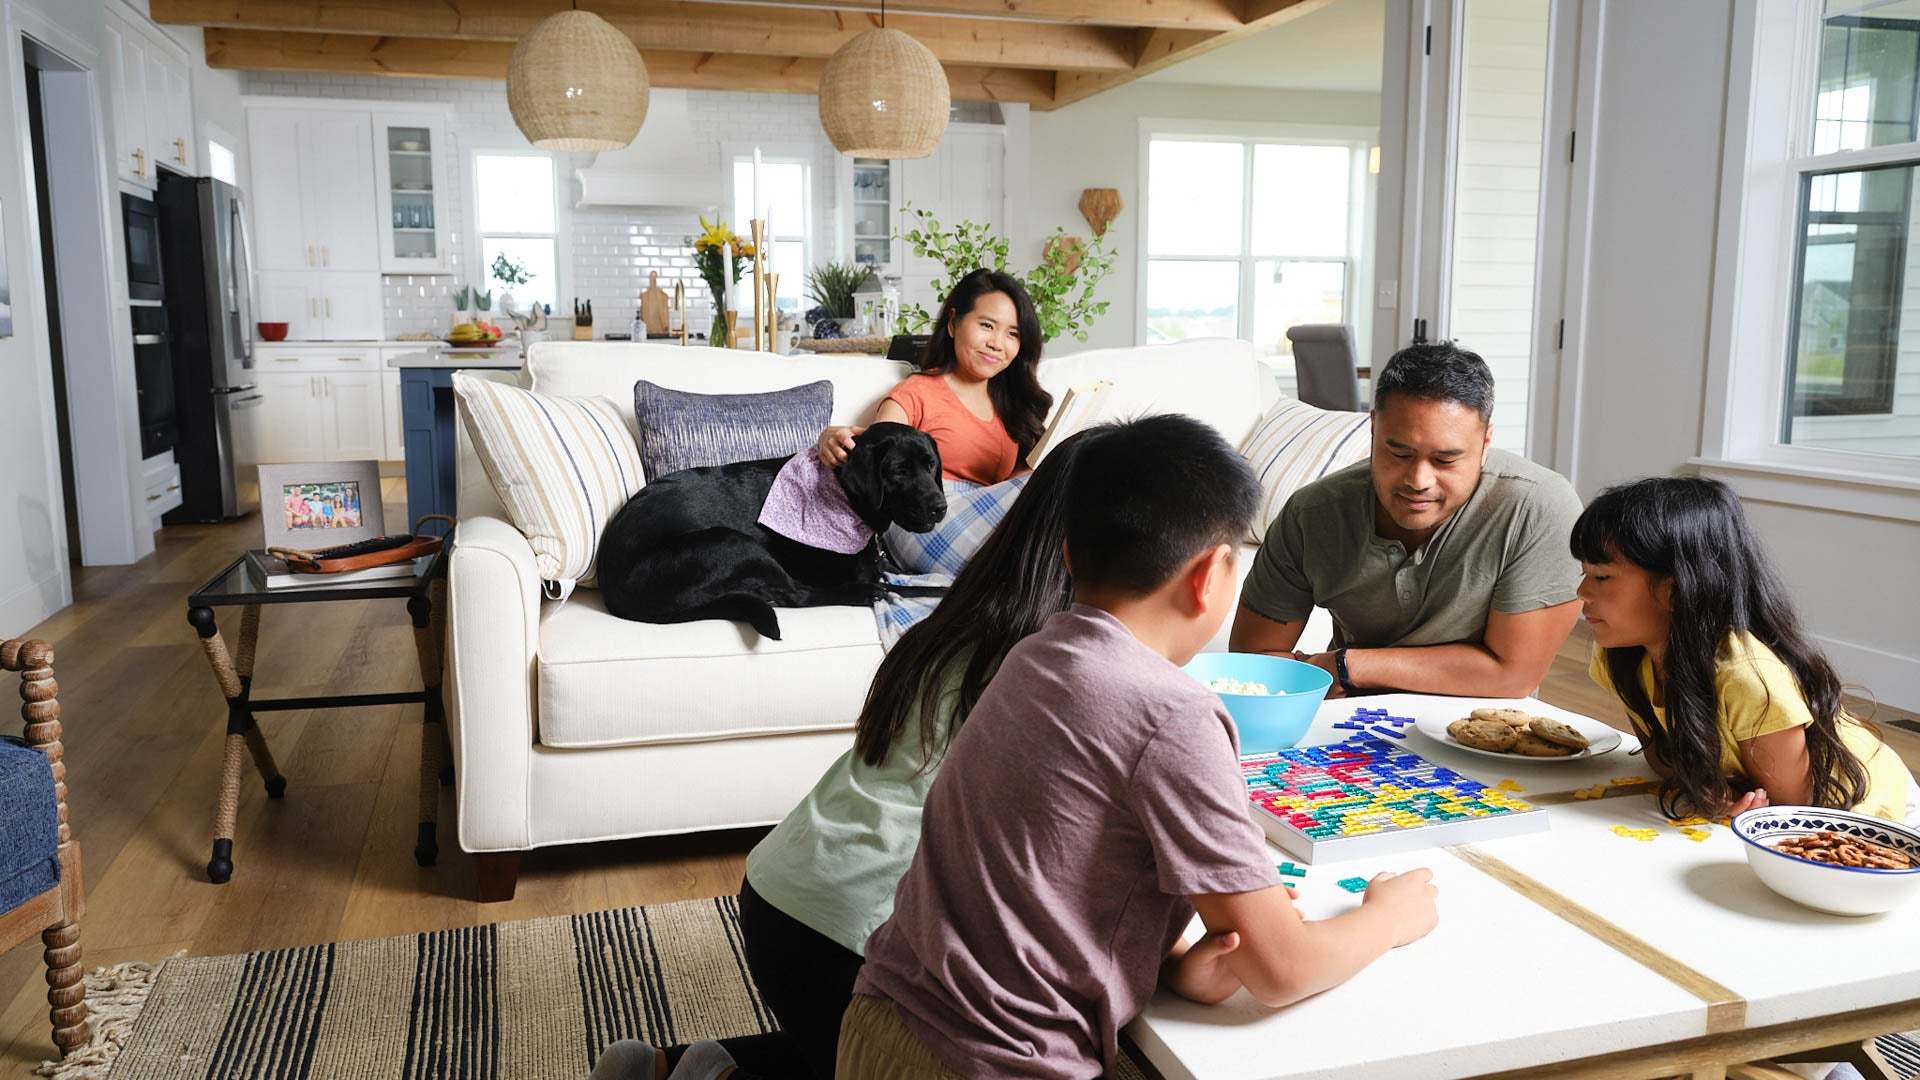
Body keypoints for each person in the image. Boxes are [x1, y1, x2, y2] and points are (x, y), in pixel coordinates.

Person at [837, 414, 1440, 1080]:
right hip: (997, 1065)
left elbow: (1042, 880)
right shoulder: (1173, 713)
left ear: (1067, 555)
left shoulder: (1034, 656)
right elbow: (1283, 969)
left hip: (878, 1026)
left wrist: (1177, 965)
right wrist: (1388, 917)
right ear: (1211, 573)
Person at [587, 428, 1097, 1080]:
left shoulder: (950, 622)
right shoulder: (1069, 669)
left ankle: (678, 1067)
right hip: (852, 933)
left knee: (844, 1046)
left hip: (780, 885)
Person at [1231, 341, 1585, 699]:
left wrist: (1346, 666)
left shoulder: (1538, 508)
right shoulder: (1311, 514)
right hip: (1347, 720)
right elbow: (1253, 668)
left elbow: (1512, 676)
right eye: (1398, 453)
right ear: (1373, 430)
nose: (1418, 481)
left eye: (1446, 460)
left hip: (1484, 729)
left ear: (1486, 441)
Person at [1572, 475, 1915, 823]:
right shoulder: (1621, 655)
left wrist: (1732, 797)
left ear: (1675, 589)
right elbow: (1662, 757)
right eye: (1584, 573)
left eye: (1601, 577)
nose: (1581, 591)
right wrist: (1712, 791)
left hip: (1865, 810)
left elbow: (1799, 809)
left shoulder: (1747, 677)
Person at [817, 268, 1052, 487]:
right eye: (987, 325)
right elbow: (879, 458)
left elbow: (1013, 486)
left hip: (997, 520)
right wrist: (833, 440)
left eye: (1013, 334)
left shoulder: (1011, 402)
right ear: (952, 323)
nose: (997, 344)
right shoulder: (916, 394)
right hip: (936, 520)